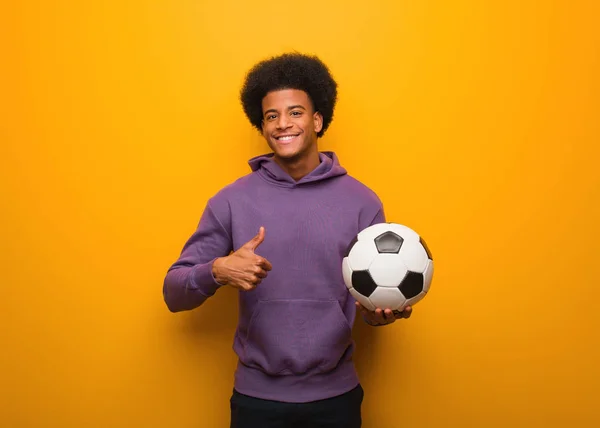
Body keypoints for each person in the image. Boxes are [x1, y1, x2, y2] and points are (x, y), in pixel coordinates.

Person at [163, 52, 412, 428]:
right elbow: (172, 292)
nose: (283, 124)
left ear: (317, 119)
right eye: (271, 116)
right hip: (256, 401)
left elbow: (367, 306)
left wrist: (380, 314)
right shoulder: (231, 200)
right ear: (261, 125)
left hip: (337, 399)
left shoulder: (362, 201)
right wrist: (217, 269)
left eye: (295, 112)